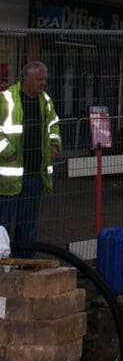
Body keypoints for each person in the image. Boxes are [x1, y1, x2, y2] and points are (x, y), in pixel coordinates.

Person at [0, 61, 61, 252]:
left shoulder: (45, 101)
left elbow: (54, 125)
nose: (43, 83)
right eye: (39, 79)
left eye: (44, 79)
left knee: (28, 225)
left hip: (34, 173)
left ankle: (25, 264)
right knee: (3, 225)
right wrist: (7, 152)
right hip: (8, 178)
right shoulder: (7, 99)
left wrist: (54, 144)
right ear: (26, 78)